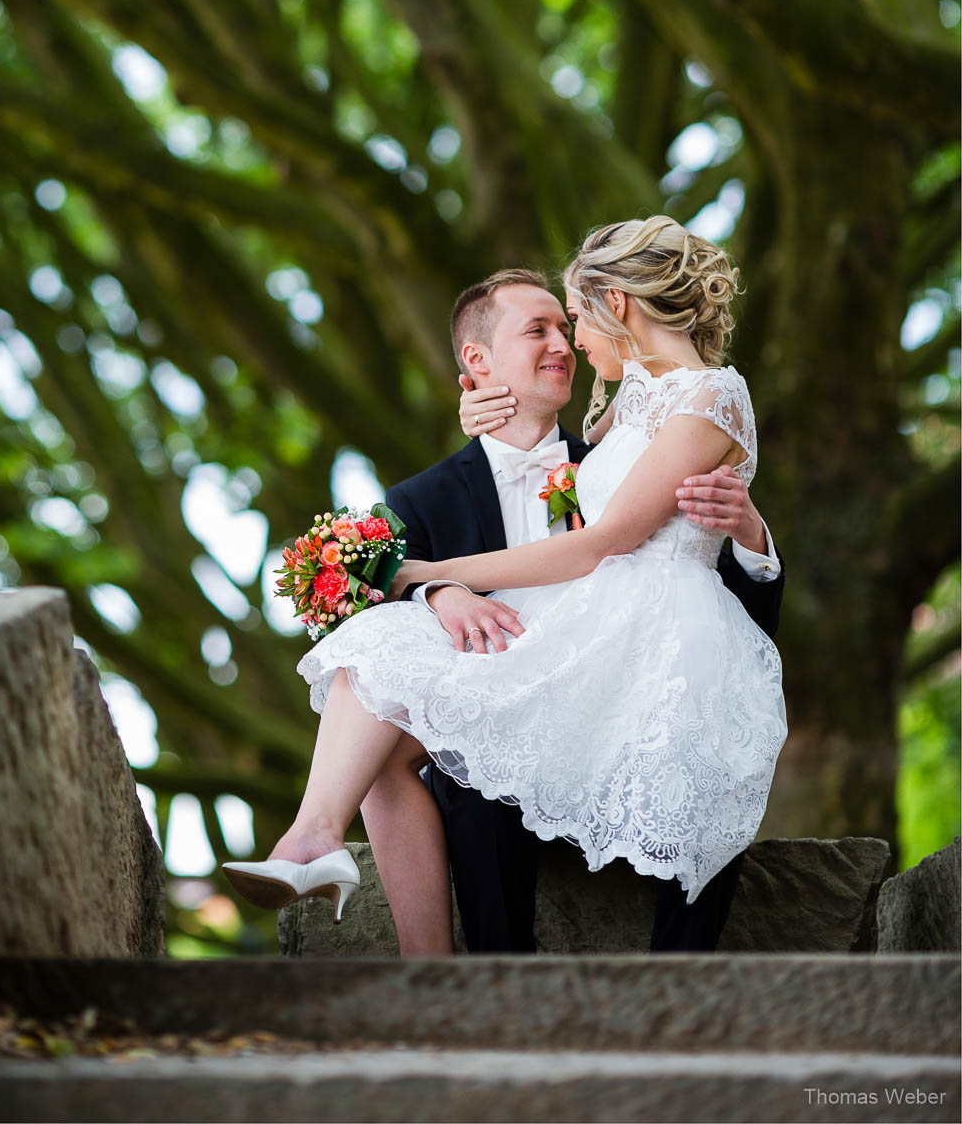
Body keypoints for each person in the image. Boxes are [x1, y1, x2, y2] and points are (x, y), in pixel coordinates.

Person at [223, 217, 788, 956]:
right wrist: (491, 421)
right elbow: (589, 454)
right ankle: (323, 850)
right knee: (373, 656)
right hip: (578, 637)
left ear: (615, 307)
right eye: (542, 330)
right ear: (477, 362)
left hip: (653, 650)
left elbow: (604, 538)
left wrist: (432, 572)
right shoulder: (626, 406)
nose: (571, 345)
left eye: (574, 320)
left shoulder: (699, 399)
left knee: (409, 693)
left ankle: (331, 857)